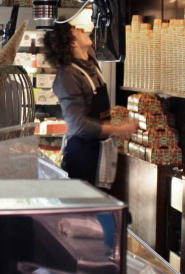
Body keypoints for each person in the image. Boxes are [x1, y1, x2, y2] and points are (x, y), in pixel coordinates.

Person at [43, 23, 137, 183]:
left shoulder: (89, 59)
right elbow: (78, 125)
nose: (82, 30)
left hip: (99, 151)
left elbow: (101, 29)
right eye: (76, 30)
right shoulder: (68, 75)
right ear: (73, 43)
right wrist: (119, 128)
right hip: (81, 156)